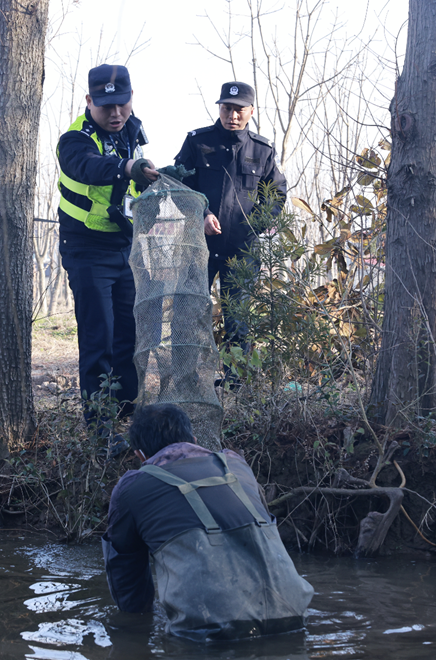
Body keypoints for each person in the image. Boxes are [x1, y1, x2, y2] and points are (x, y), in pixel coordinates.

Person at [102, 403, 314, 641]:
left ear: (139, 455)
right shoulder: (236, 465)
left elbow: (126, 575)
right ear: (193, 439)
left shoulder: (132, 488)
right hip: (293, 613)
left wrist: (136, 627)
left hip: (207, 631)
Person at [57, 64, 159, 442]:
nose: (115, 114)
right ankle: (100, 429)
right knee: (98, 336)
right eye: (106, 106)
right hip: (86, 250)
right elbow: (88, 167)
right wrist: (127, 167)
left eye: (122, 104)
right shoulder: (75, 139)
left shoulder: (132, 130)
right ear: (89, 101)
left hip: (125, 247)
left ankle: (127, 416)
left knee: (129, 336)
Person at [173, 82, 287, 369]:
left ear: (251, 111)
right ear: (220, 108)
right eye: (226, 108)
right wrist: (201, 214)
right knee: (188, 314)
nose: (232, 115)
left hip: (242, 249)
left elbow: (276, 194)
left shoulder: (262, 151)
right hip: (197, 246)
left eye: (239, 110)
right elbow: (178, 185)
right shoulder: (198, 142)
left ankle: (237, 387)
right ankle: (188, 380)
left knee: (238, 319)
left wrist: (255, 225)